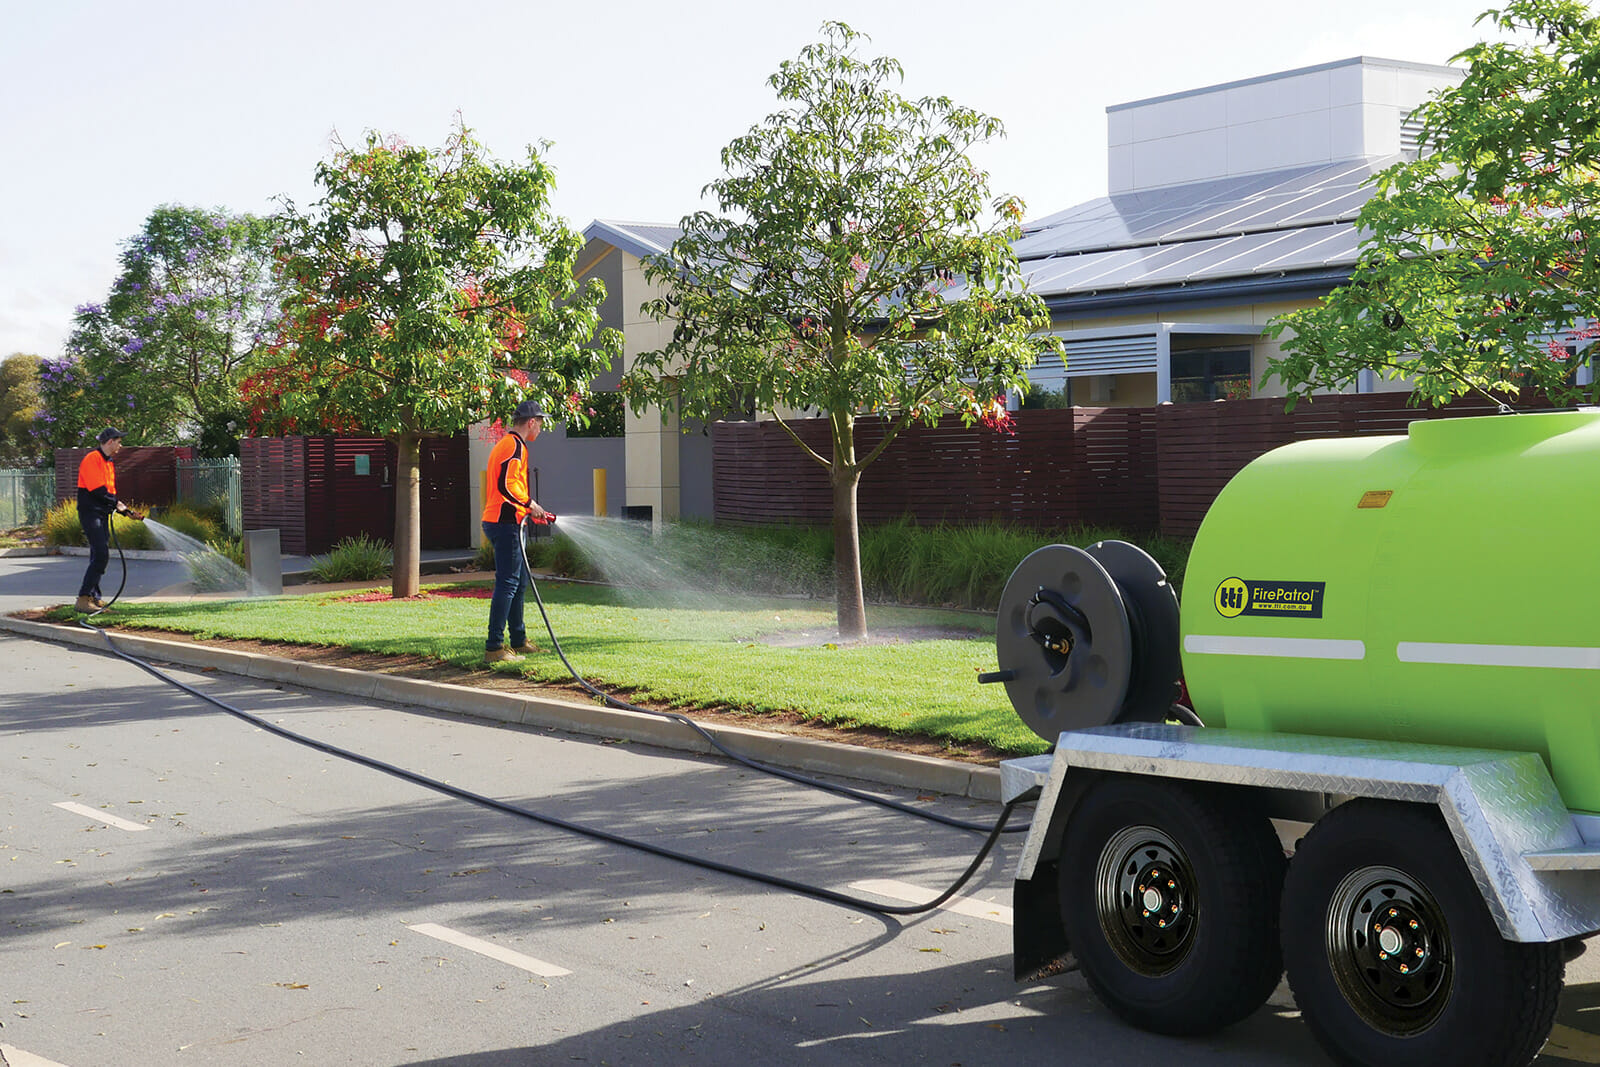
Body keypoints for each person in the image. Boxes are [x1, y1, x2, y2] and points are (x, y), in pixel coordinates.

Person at [481, 400, 549, 663]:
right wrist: (530, 504)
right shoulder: (514, 446)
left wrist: (529, 511)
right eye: (540, 423)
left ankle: (518, 641)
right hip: (504, 522)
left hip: (508, 520)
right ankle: (494, 647)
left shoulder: (511, 444)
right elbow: (506, 486)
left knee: (518, 583)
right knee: (508, 583)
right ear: (531, 422)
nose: (541, 428)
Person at [76, 427, 143, 613]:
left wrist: (124, 511)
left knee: (97, 554)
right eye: (119, 441)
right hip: (90, 513)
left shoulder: (109, 462)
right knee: (101, 554)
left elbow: (109, 493)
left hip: (102, 512)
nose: (120, 445)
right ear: (110, 441)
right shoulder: (92, 459)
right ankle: (83, 599)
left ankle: (94, 598)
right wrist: (118, 505)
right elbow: (97, 490)